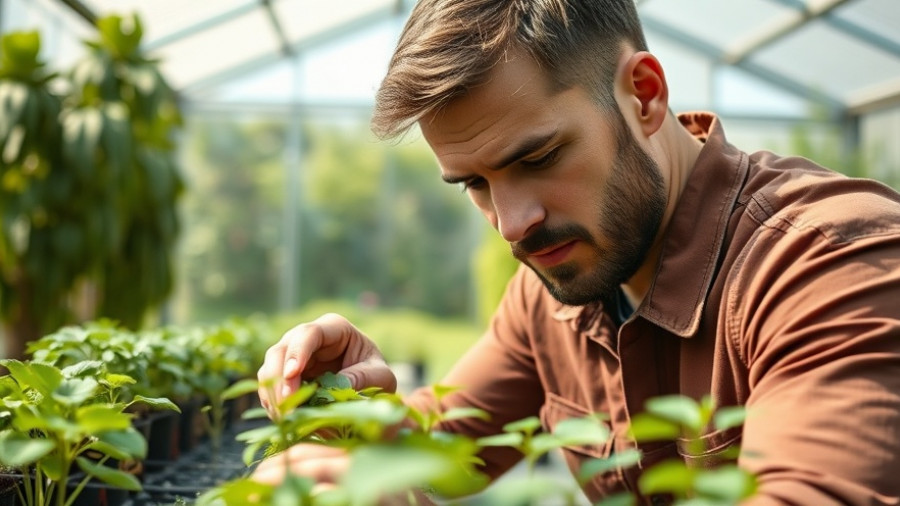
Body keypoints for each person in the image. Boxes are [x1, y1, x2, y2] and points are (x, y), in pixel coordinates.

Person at [255, 0, 900, 503]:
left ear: (644, 96)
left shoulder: (830, 263)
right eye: (475, 184)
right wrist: (350, 415)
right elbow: (446, 447)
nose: (512, 226)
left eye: (538, 157)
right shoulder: (555, 292)